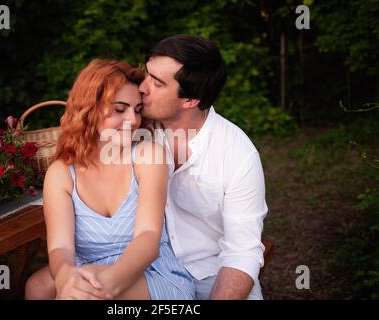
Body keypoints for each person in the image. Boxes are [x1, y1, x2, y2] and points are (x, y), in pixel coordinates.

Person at [26, 34, 268, 300]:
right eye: (147, 74)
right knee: (42, 286)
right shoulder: (140, 129)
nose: (142, 87)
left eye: (157, 83)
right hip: (130, 265)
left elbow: (242, 252)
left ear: (189, 100)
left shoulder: (237, 154)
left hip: (209, 275)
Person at [26, 58, 195, 300]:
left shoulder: (148, 156)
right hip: (89, 265)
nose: (133, 121)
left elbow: (148, 238)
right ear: (89, 109)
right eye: (120, 109)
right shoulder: (61, 173)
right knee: (37, 287)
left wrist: (107, 284)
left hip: (149, 271)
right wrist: (64, 277)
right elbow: (60, 247)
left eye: (137, 110)